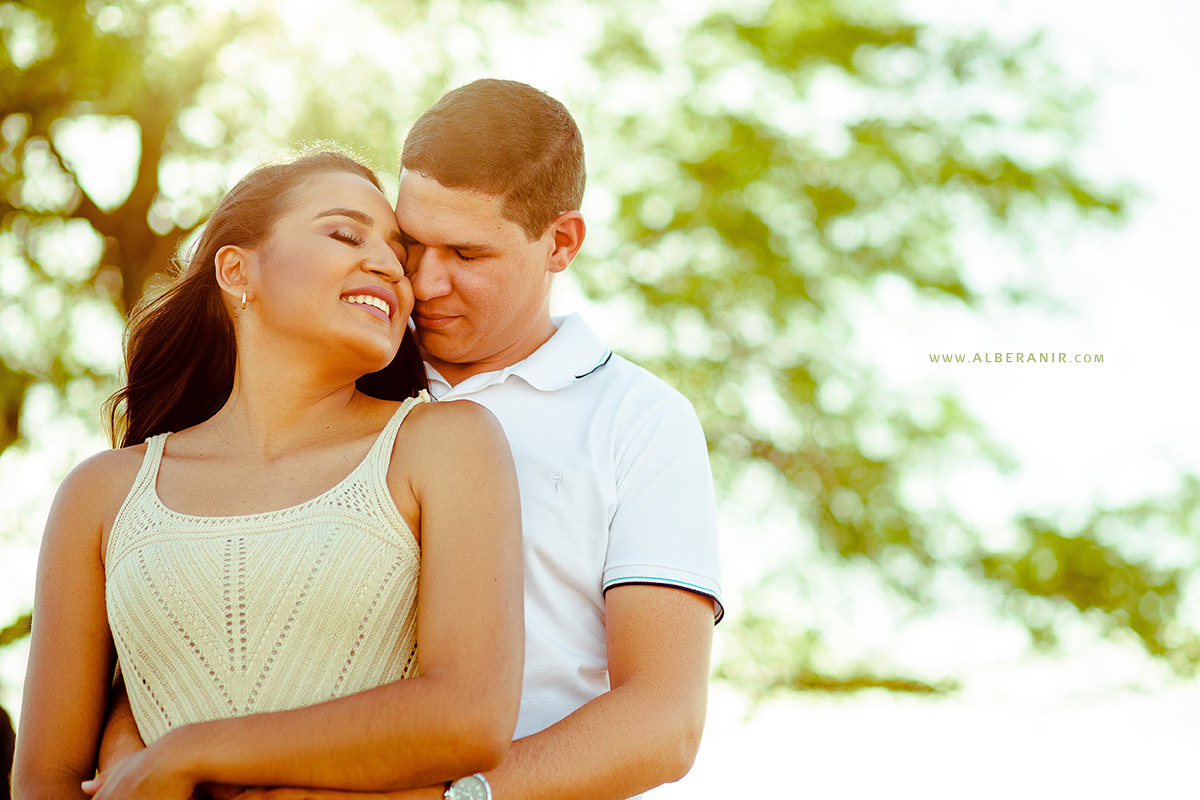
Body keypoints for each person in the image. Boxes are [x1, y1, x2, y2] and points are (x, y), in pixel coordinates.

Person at [99, 79, 723, 800]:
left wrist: (446, 796)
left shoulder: (637, 420)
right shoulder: (333, 367)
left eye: (465, 253)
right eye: (411, 242)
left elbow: (664, 719)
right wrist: (134, 749)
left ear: (561, 242)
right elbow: (180, 592)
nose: (423, 282)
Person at [11, 149, 524, 800]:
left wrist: (194, 754)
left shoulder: (444, 443)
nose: (392, 267)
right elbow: (44, 779)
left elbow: (468, 718)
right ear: (236, 270)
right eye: (344, 233)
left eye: (400, 254)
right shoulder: (104, 492)